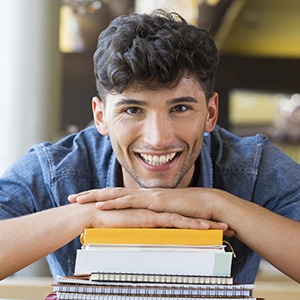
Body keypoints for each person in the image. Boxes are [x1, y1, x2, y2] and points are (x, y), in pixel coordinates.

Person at [0, 9, 300, 284]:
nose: (158, 139)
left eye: (180, 108)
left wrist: (219, 204)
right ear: (101, 117)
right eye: (132, 110)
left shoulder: (254, 166)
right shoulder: (58, 168)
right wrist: (86, 216)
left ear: (210, 113)